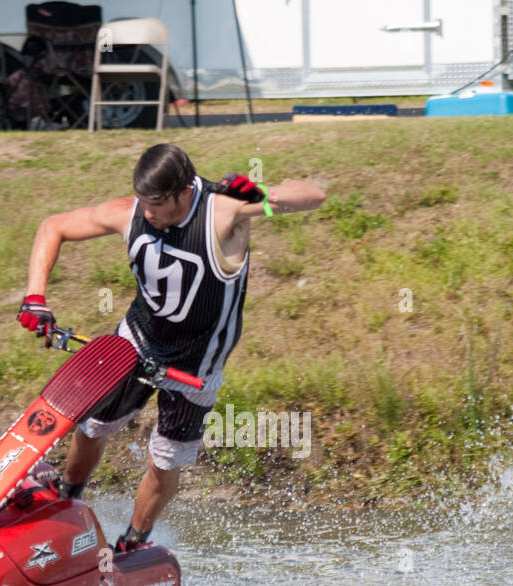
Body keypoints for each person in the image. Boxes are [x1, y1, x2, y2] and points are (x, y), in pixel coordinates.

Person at [17, 144, 326, 551]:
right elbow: (52, 226)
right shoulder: (130, 210)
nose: (147, 214)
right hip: (138, 341)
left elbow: (313, 195)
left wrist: (263, 195)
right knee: (93, 424)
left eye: (156, 205)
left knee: (164, 460)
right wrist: (35, 296)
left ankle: (133, 543)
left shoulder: (225, 211)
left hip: (196, 365)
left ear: (183, 193)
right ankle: (66, 493)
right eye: (143, 202)